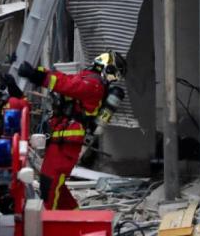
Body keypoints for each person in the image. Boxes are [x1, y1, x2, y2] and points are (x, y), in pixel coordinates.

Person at [17, 51, 126, 210]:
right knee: (56, 187)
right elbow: (64, 78)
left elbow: (67, 85)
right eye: (113, 75)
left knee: (50, 186)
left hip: (67, 145)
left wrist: (37, 76)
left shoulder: (94, 85)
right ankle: (76, 220)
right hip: (61, 140)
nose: (112, 79)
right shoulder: (86, 78)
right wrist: (37, 71)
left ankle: (48, 224)